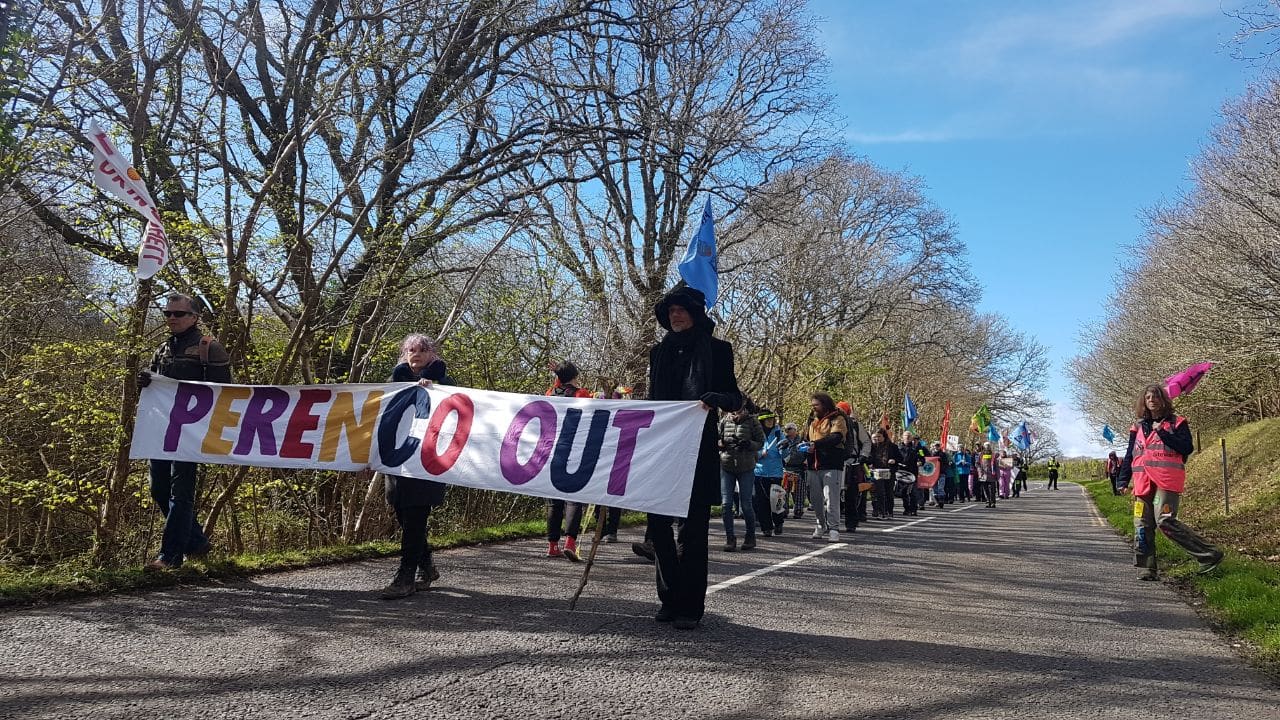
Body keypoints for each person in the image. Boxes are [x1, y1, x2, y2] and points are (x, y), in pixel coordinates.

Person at [646, 286, 743, 629]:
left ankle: (690, 606)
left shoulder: (719, 350)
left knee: (692, 530)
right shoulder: (658, 353)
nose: (675, 315)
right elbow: (650, 399)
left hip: (697, 449)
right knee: (657, 525)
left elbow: (735, 398)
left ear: (695, 314)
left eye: (681, 310)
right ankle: (669, 597)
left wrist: (716, 397)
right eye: (670, 311)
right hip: (660, 447)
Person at [137, 294, 233, 572]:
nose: (172, 318)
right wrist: (143, 382)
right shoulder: (163, 349)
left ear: (194, 317)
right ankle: (197, 541)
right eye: (168, 313)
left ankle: (170, 557)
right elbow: (152, 388)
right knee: (158, 489)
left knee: (182, 493)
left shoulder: (209, 348)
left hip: (191, 432)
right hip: (161, 430)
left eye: (178, 314)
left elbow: (224, 393)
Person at [1118, 384, 1223, 581]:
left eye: (1156, 396)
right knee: (1141, 524)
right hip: (1143, 482)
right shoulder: (1138, 427)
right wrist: (1123, 480)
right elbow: (1130, 454)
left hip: (1166, 481)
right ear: (1144, 401)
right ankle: (1146, 568)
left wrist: (1164, 433)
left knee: (1165, 521)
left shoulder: (1177, 422)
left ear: (1163, 400)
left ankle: (1209, 554)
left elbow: (1187, 448)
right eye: (1148, 397)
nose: (1152, 400)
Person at [380, 333, 452, 599]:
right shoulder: (394, 382)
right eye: (411, 349)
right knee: (402, 514)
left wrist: (433, 389)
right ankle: (427, 566)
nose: (416, 354)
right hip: (398, 462)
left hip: (426, 463)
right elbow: (380, 419)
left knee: (415, 518)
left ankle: (405, 577)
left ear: (431, 354)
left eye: (422, 350)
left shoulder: (445, 383)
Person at [544, 361, 593, 560]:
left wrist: (558, 375)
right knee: (574, 498)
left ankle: (552, 545)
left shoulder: (549, 393)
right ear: (574, 376)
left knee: (553, 500)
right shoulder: (581, 394)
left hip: (553, 448)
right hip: (574, 449)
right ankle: (570, 542)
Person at [802, 393, 849, 542]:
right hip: (813, 465)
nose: (813, 408)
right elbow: (807, 439)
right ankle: (820, 524)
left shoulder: (838, 419)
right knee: (815, 499)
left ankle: (834, 528)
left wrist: (815, 445)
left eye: (816, 405)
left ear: (825, 404)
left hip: (831, 464)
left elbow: (836, 437)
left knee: (831, 498)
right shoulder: (812, 421)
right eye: (812, 405)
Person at [719, 403, 763, 551]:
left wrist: (748, 444)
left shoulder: (752, 421)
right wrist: (722, 443)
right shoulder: (725, 420)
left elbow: (760, 442)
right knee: (726, 505)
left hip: (746, 467)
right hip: (727, 465)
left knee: (746, 504)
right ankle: (730, 538)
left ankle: (750, 536)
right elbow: (717, 439)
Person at [753, 410, 787, 536]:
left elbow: (785, 454)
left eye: (772, 419)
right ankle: (766, 527)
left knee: (777, 500)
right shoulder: (756, 434)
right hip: (759, 472)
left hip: (775, 473)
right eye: (767, 420)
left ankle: (778, 522)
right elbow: (751, 453)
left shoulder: (778, 433)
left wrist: (784, 448)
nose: (770, 422)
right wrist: (760, 454)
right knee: (762, 502)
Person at [838, 403, 871, 532]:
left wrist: (863, 456)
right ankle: (831, 522)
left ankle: (851, 522)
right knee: (832, 494)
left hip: (852, 463)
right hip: (836, 462)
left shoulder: (855, 425)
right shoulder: (830, 423)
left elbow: (866, 442)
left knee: (851, 494)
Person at [868, 428, 900, 519]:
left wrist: (894, 460)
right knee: (880, 492)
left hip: (889, 472)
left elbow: (899, 458)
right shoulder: (873, 447)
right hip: (877, 471)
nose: (877, 438)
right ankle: (881, 512)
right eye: (876, 437)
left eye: (879, 436)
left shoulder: (892, 446)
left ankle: (889, 511)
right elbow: (870, 457)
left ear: (884, 436)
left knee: (889, 492)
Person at [779, 423, 808, 519]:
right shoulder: (783, 441)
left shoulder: (802, 441)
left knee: (799, 492)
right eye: (786, 429)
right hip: (785, 469)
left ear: (795, 430)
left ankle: (798, 510)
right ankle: (784, 509)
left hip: (799, 469)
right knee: (784, 491)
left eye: (789, 428)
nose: (787, 430)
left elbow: (807, 453)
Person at [895, 430, 920, 516]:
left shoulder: (917, 448)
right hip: (902, 472)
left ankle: (914, 509)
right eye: (906, 435)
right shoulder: (898, 448)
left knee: (913, 492)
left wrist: (921, 461)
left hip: (912, 472)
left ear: (911, 438)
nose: (907, 437)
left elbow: (922, 457)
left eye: (909, 436)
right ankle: (907, 509)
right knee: (903, 492)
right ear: (902, 437)